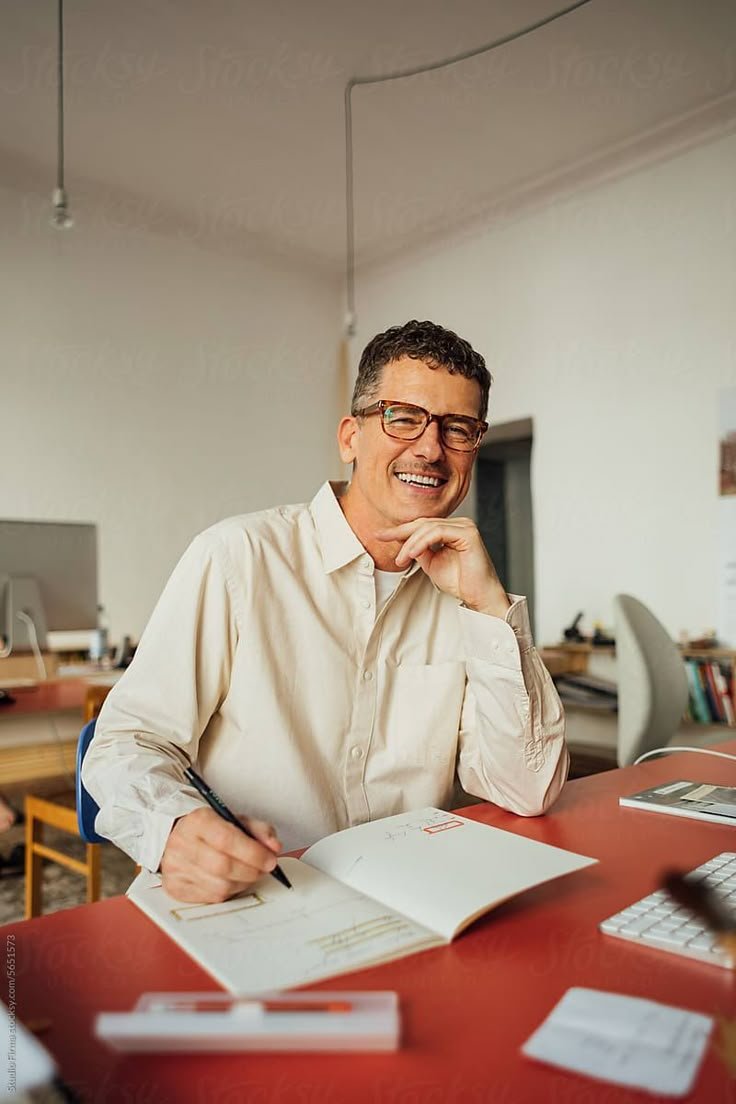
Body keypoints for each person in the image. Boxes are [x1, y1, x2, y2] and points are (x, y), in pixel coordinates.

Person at [84, 320, 567, 904]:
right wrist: (176, 829)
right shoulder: (239, 556)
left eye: (458, 428)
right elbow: (128, 741)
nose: (431, 448)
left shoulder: (465, 594)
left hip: (406, 899)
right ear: (350, 438)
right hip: (252, 899)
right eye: (403, 416)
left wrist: (490, 607)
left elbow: (527, 789)